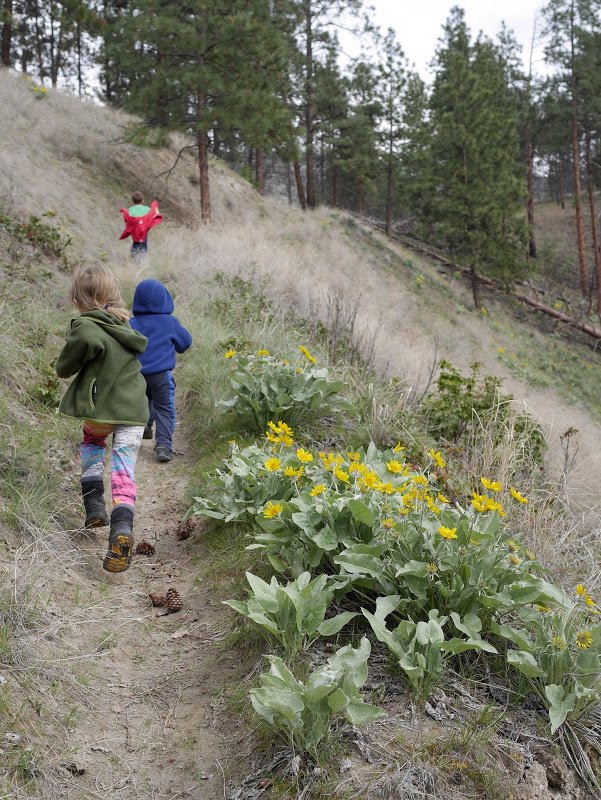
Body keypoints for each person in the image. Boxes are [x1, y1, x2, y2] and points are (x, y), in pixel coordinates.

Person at [55, 264, 149, 573]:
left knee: (93, 445)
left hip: (102, 409)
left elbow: (65, 368)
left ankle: (94, 504)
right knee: (124, 469)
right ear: (112, 296)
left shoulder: (86, 328)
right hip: (135, 411)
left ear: (77, 300)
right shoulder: (126, 327)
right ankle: (121, 528)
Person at [130, 278, 192, 463]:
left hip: (137, 375)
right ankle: (164, 445)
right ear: (165, 299)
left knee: (143, 402)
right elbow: (185, 342)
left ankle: (145, 427)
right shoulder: (170, 322)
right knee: (164, 408)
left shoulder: (132, 324)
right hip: (161, 376)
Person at [119, 191, 162, 257]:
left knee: (135, 243)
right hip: (143, 232)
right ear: (142, 201)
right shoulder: (147, 209)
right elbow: (152, 214)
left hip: (135, 232)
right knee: (143, 247)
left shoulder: (130, 210)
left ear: (133, 201)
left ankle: (133, 258)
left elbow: (127, 220)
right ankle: (140, 262)